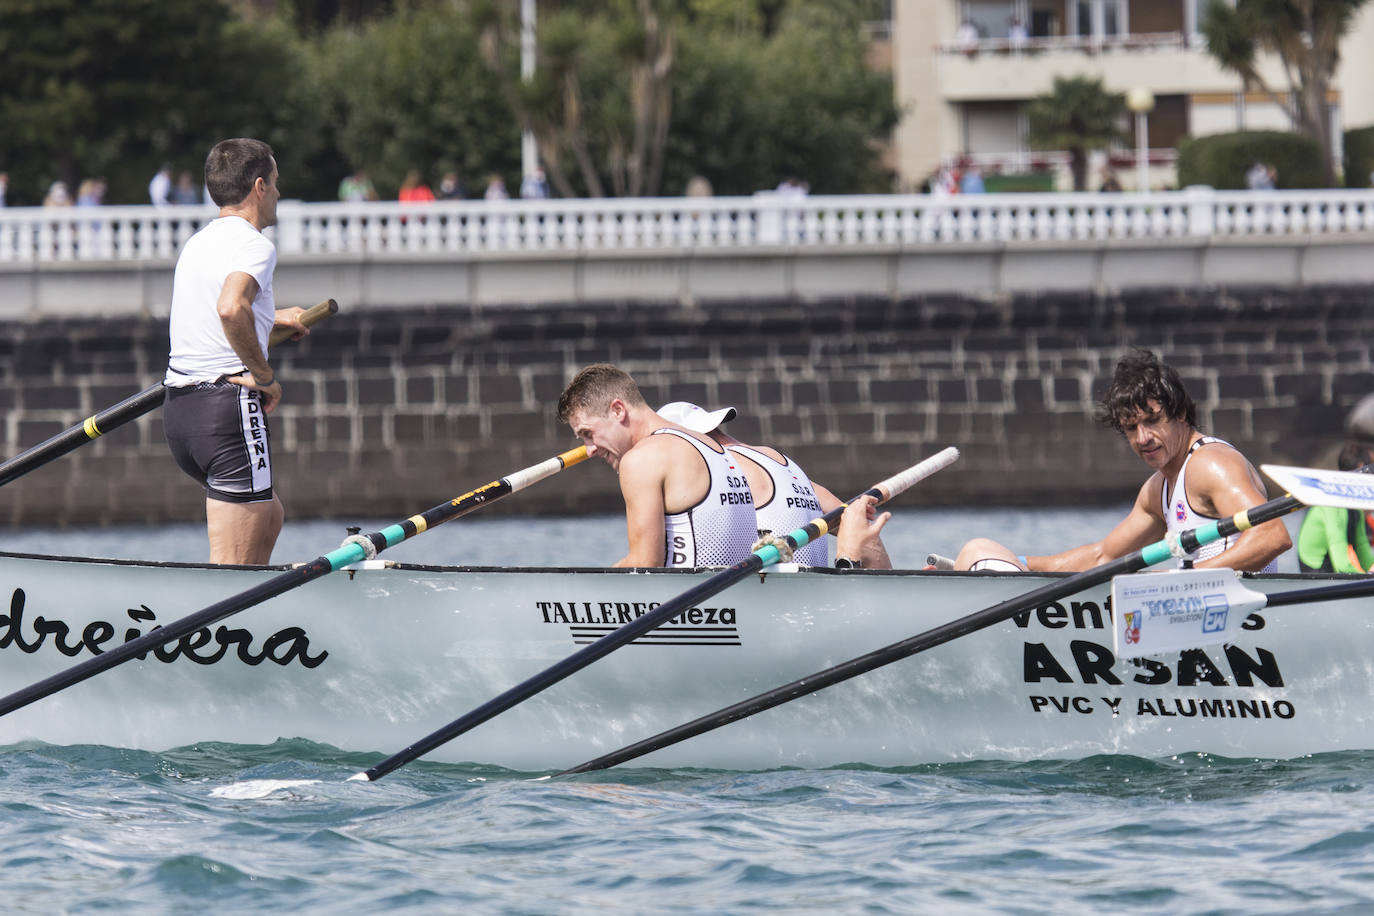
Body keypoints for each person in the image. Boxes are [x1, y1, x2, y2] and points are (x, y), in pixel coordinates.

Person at [955, 349, 1291, 574]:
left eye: (1153, 421)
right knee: (980, 548)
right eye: (1131, 428)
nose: (1142, 438)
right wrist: (1014, 564)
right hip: (1198, 612)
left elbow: (1272, 536)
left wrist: (1183, 584)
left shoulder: (1211, 464)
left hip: (1248, 619)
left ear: (1182, 414)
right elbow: (1103, 556)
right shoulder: (1157, 489)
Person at [162, 138, 310, 565]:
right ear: (259, 186)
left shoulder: (198, 242)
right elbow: (230, 307)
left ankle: (258, 627)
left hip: (181, 416)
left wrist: (271, 316)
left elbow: (215, 308)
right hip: (226, 412)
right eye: (277, 184)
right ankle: (227, 629)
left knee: (269, 518)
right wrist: (264, 376)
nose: (279, 194)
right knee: (231, 574)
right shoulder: (254, 245)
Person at [557, 365, 757, 568]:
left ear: (618, 410)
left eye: (588, 434)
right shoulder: (712, 446)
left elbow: (644, 564)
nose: (589, 450)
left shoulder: (642, 459)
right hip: (735, 593)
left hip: (690, 595)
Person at [656, 401, 892, 569]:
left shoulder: (716, 465)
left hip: (771, 600)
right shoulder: (775, 458)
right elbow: (856, 520)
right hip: (813, 593)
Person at [1296, 442, 1374, 573]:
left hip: (1333, 572)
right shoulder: (1333, 505)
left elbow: (1366, 559)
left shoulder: (1355, 509)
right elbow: (1342, 566)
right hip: (1317, 574)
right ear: (1361, 468)